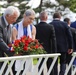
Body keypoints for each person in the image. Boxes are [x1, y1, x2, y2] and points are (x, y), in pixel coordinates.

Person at [12, 9, 36, 74]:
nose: (31, 21)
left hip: (27, 53)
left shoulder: (33, 28)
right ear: (24, 16)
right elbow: (13, 41)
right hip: (17, 54)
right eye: (30, 18)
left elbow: (33, 42)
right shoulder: (15, 27)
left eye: (33, 19)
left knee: (24, 72)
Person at [35, 11, 57, 75]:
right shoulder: (50, 27)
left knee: (40, 67)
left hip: (39, 50)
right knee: (50, 68)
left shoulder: (35, 27)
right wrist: (54, 52)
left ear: (40, 17)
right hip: (49, 50)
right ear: (46, 17)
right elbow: (53, 40)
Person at [0, 6, 20, 75]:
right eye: (14, 18)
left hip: (3, 56)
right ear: (7, 15)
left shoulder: (10, 26)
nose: (15, 20)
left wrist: (16, 50)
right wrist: (10, 52)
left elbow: (8, 42)